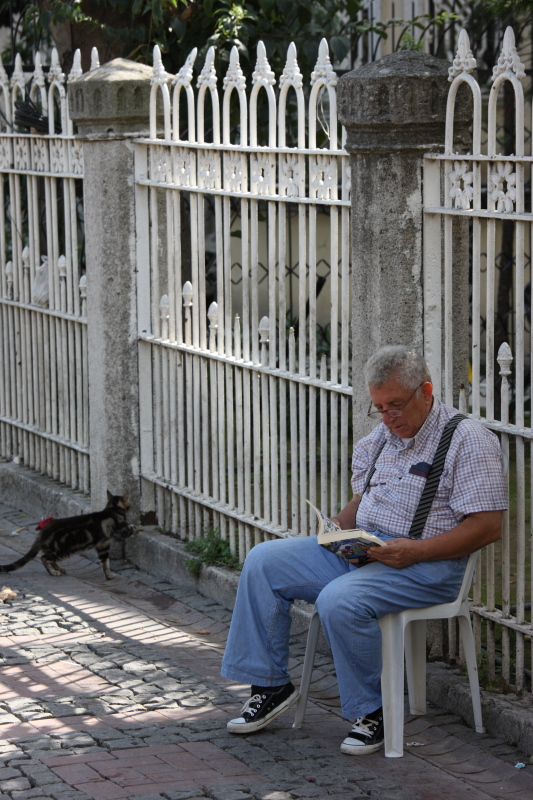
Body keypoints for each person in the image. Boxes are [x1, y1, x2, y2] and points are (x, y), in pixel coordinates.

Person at [221, 346, 507, 755]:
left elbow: (487, 527)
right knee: (263, 560)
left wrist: (416, 552)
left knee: (340, 599)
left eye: (395, 406)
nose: (388, 418)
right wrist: (337, 529)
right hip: (369, 553)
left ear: (425, 391)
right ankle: (270, 686)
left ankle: (372, 713)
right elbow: (364, 498)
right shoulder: (380, 438)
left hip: (429, 566)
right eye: (379, 408)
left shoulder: (468, 440)